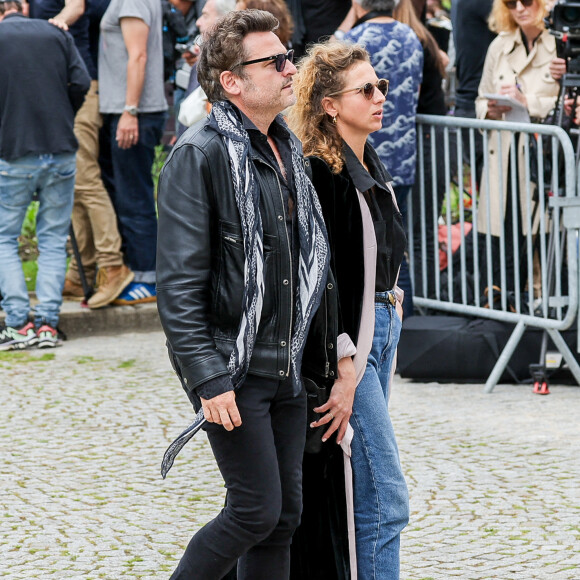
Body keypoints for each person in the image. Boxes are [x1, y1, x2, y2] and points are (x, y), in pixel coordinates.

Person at [156, 9, 331, 579]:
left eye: (289, 56)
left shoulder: (284, 147)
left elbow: (307, 264)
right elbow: (179, 282)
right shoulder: (200, 153)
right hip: (234, 367)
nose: (290, 68)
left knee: (282, 518)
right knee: (254, 510)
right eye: (275, 61)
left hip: (285, 367)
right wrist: (207, 378)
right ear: (232, 81)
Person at [289, 40, 410, 580]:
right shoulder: (321, 172)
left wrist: (393, 297)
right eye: (366, 89)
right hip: (352, 345)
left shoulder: (367, 160)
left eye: (380, 85)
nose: (380, 96)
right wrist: (343, 364)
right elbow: (321, 282)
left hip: (381, 328)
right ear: (330, 104)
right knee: (386, 497)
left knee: (363, 489)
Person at [0, 0, 90, 349]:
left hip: (14, 151)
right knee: (53, 239)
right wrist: (63, 114)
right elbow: (81, 81)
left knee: (5, 238)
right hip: (61, 148)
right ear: (23, 6)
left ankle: (19, 324)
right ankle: (48, 325)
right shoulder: (55, 33)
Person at [345, 0, 423, 319]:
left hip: (365, 160)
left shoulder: (353, 39)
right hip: (403, 161)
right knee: (396, 248)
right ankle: (403, 332)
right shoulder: (413, 37)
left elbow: (321, 65)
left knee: (370, 252)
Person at [475, 0, 558, 295]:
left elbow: (570, 104)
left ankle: (540, 299)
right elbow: (480, 98)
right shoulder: (499, 45)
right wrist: (490, 109)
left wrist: (528, 104)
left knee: (543, 233)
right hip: (503, 154)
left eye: (528, 1)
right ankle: (504, 299)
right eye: (511, 3)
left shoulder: (561, 43)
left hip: (543, 159)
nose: (520, 8)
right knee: (503, 233)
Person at [98, 0, 168, 305]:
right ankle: (143, 272)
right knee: (131, 192)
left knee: (133, 195)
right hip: (135, 110)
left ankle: (146, 278)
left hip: (135, 111)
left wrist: (130, 110)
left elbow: (137, 55)